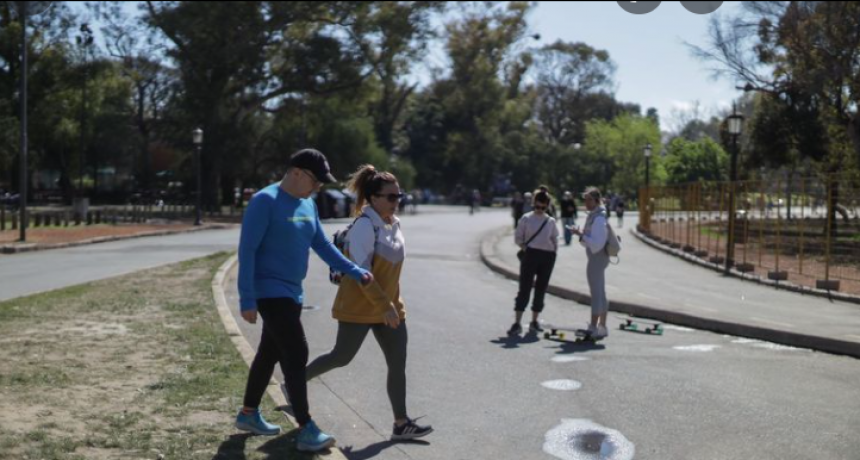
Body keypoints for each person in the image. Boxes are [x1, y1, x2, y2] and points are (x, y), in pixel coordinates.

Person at [236, 149, 374, 452]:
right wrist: (247, 297)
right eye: (315, 181)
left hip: (292, 292)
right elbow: (246, 251)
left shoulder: (307, 204)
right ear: (296, 172)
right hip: (269, 292)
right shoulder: (264, 202)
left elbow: (321, 244)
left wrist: (353, 270)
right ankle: (306, 427)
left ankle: (248, 415)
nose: (318, 188)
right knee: (297, 352)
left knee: (268, 353)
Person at [301, 164, 433, 441]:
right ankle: (295, 382)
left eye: (399, 196)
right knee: (341, 356)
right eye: (391, 197)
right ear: (373, 198)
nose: (397, 202)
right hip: (360, 305)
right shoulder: (364, 226)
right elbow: (362, 276)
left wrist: (391, 304)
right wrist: (384, 306)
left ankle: (401, 423)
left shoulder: (394, 224)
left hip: (391, 306)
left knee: (398, 363)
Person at [508, 191, 559, 335]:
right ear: (533, 204)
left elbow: (555, 238)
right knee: (524, 288)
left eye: (543, 208)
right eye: (537, 207)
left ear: (547, 206)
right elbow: (518, 237)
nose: (539, 210)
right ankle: (517, 323)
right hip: (530, 254)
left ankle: (534, 321)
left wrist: (554, 251)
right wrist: (526, 248)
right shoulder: (526, 218)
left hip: (547, 256)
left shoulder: (551, 221)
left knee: (541, 289)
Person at [568, 187, 610, 340]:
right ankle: (602, 327)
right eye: (585, 199)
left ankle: (593, 327)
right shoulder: (594, 215)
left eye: (589, 199)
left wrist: (581, 235)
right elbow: (590, 242)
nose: (586, 202)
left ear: (597, 200)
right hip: (597, 257)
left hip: (597, 258)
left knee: (596, 294)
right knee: (601, 292)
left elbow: (597, 244)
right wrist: (581, 235)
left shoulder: (598, 218)